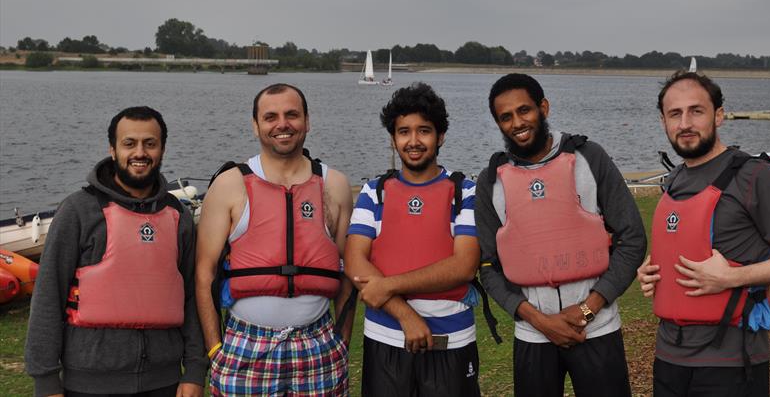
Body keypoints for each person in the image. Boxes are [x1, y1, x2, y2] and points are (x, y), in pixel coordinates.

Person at [475, 73, 646, 397]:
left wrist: (589, 307)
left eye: (524, 110)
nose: (517, 123)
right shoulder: (490, 181)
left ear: (544, 107)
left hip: (597, 329)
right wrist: (539, 320)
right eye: (505, 117)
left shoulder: (590, 157)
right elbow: (488, 266)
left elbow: (632, 238)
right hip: (532, 335)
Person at [636, 71, 770, 397]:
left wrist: (732, 278)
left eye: (696, 111)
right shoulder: (674, 180)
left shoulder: (754, 175)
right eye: (675, 114)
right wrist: (651, 270)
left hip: (731, 362)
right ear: (663, 121)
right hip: (669, 355)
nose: (685, 123)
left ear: (719, 116)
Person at [24, 106, 206, 397]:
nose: (140, 153)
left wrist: (195, 371)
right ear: (112, 149)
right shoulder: (77, 211)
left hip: (165, 382)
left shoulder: (178, 216)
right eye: (129, 143)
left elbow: (192, 298)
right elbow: (48, 297)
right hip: (88, 383)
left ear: (162, 149)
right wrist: (45, 381)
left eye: (150, 143)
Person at [195, 83, 354, 396]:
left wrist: (342, 338)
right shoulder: (229, 185)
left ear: (307, 121)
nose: (282, 124)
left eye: (292, 114)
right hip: (244, 344)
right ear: (256, 126)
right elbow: (204, 273)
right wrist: (215, 348)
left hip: (318, 343)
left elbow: (347, 270)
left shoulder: (333, 185)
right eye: (271, 117)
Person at [345, 82, 481, 397]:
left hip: (451, 340)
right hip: (384, 339)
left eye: (424, 131)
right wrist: (406, 315)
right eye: (404, 131)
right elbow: (354, 261)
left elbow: (464, 267)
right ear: (393, 139)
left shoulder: (466, 193)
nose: (414, 141)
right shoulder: (374, 192)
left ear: (440, 136)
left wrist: (388, 286)